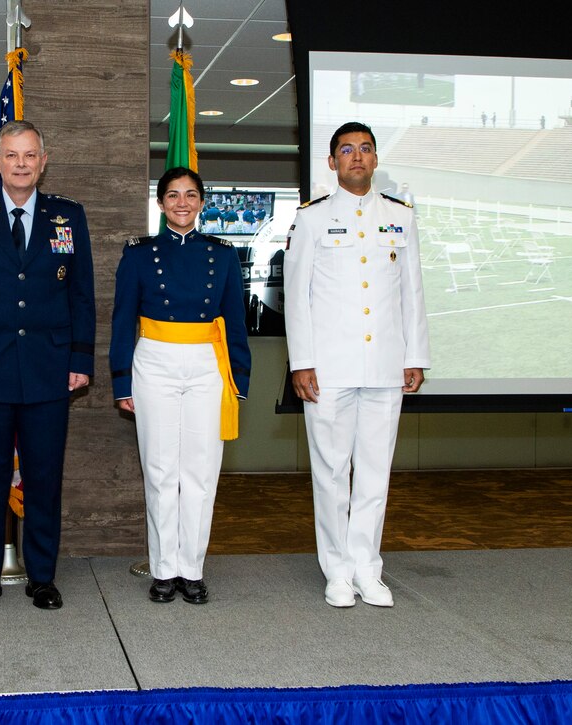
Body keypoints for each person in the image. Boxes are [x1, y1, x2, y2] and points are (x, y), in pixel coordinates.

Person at [0, 120, 95, 612]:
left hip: (50, 369)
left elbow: (82, 294)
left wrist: (80, 358)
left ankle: (42, 577)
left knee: (45, 477)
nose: (21, 163)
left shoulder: (68, 216)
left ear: (43, 162)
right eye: (12, 155)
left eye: (30, 155)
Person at [283, 121, 430, 609]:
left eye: (366, 149)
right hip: (328, 368)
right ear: (332, 162)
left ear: (375, 159)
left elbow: (411, 292)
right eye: (347, 150)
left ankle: (368, 568)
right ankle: (337, 571)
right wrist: (301, 362)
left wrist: (415, 356)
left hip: (385, 366)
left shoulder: (400, 216)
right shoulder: (311, 219)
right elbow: (297, 295)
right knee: (330, 472)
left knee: (374, 474)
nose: (358, 157)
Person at [110, 166, 251, 605]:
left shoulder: (224, 254)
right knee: (160, 470)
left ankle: (192, 569)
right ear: (160, 204)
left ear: (202, 201)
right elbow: (120, 323)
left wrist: (238, 379)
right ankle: (163, 570)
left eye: (191, 195)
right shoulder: (138, 254)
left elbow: (235, 323)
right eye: (173, 195)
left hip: (208, 365)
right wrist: (121, 381)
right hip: (154, 362)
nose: (182, 203)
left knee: (201, 472)